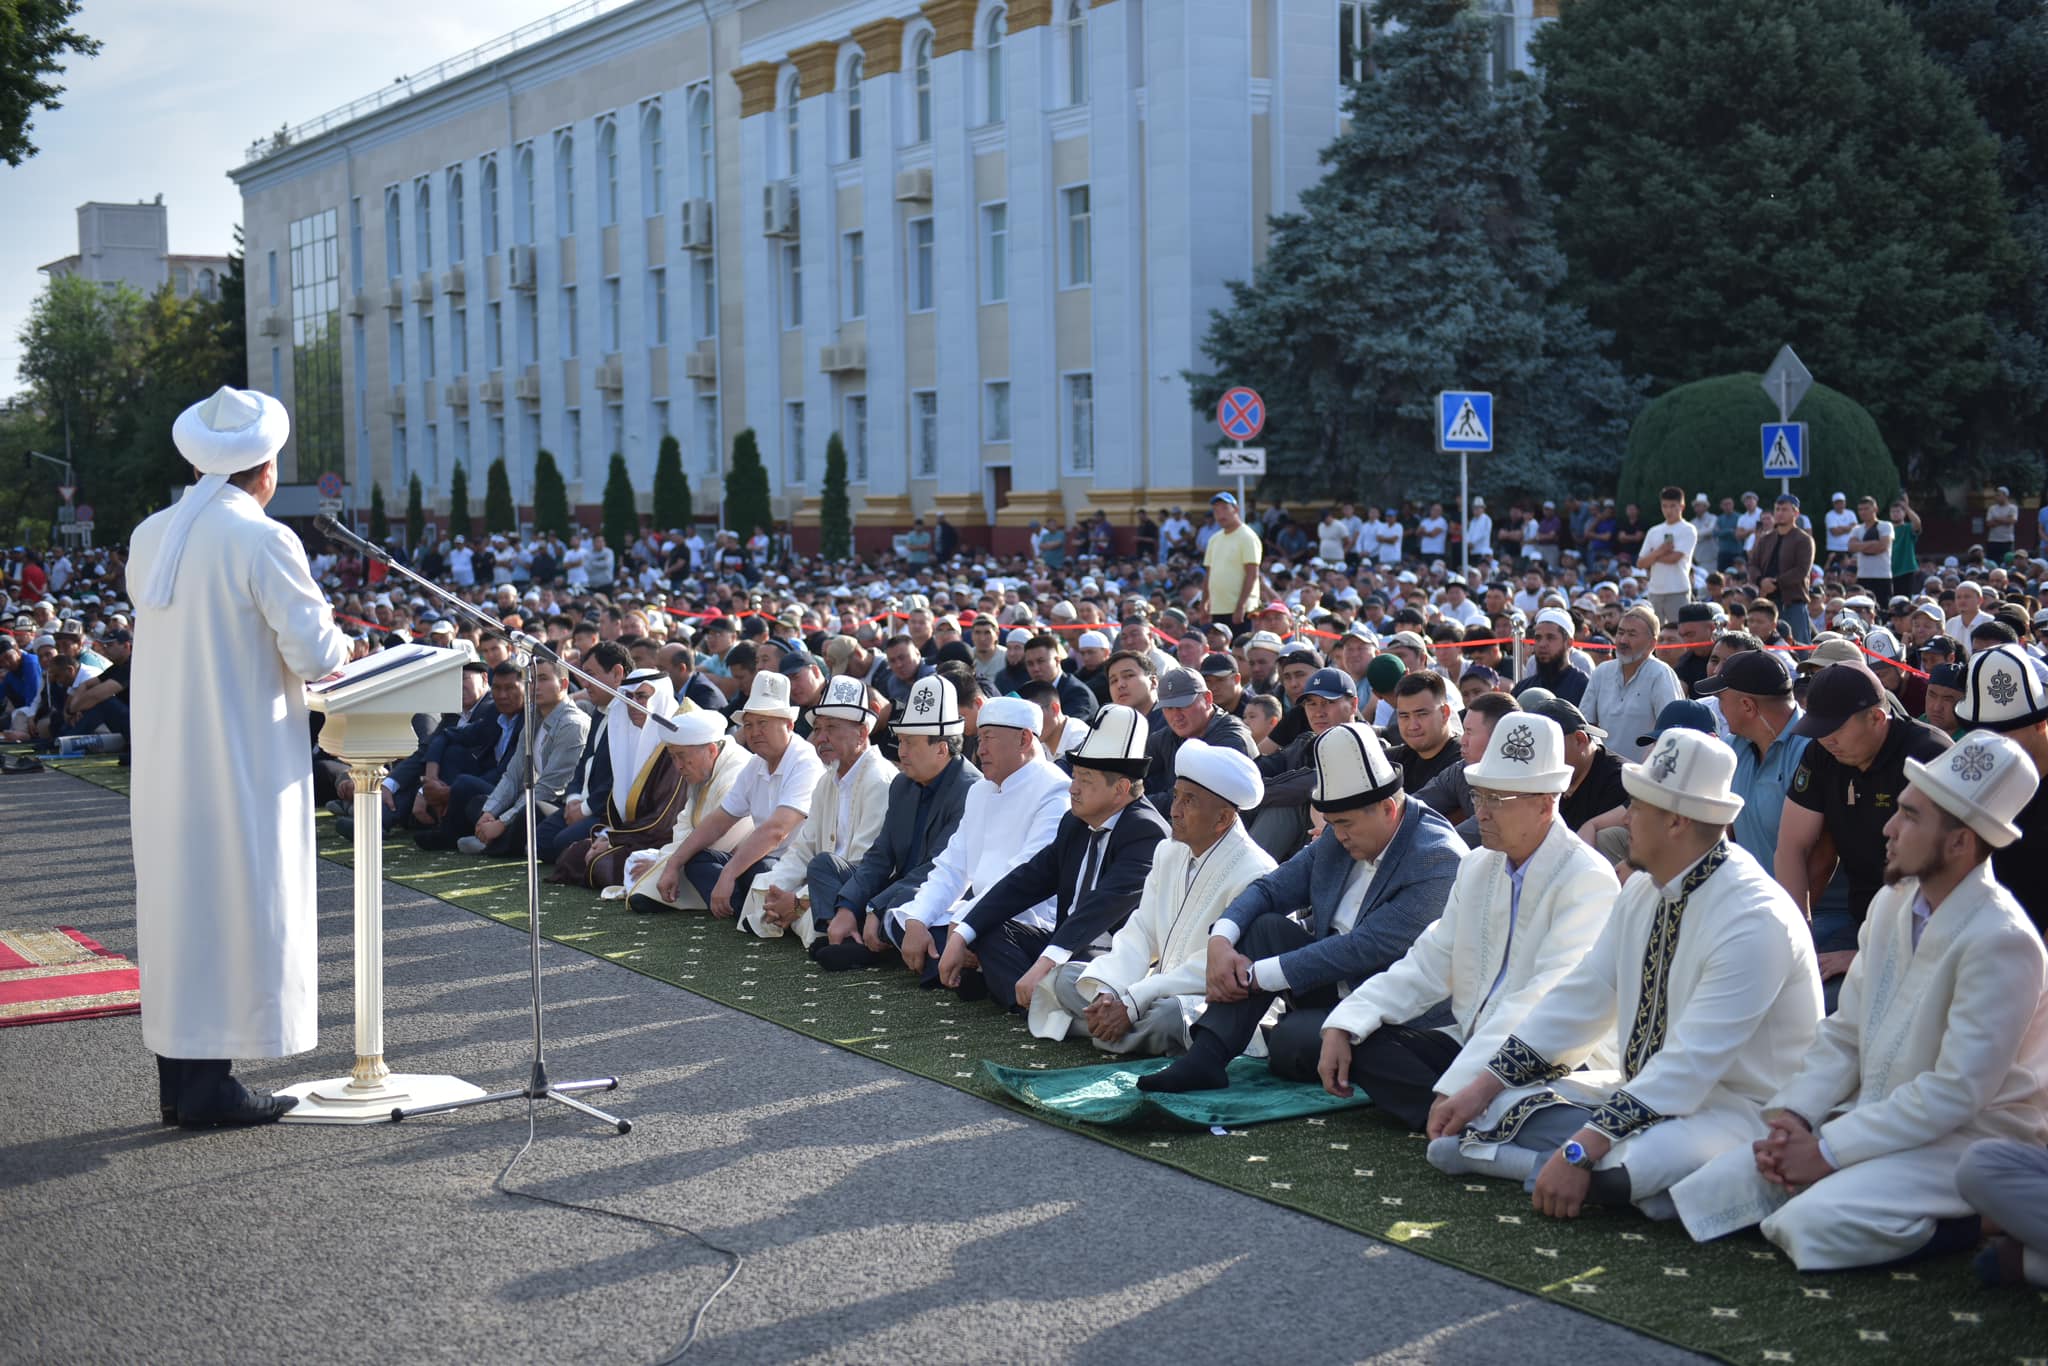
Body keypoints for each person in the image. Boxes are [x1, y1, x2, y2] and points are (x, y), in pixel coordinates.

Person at [1673, 729, 2048, 1269]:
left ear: (1961, 842)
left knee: (1810, 1225)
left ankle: (1974, 1221)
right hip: (1873, 1118)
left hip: (1963, 1140)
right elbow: (1846, 1032)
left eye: (1912, 817)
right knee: (1714, 1189)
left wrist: (1829, 1152)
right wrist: (1798, 1118)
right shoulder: (1895, 903)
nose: (1889, 829)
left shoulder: (2002, 939)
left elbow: (1955, 1093)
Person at [1428, 730, 1823, 1221]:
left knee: (1638, 1159)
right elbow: (1582, 996)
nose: (1625, 817)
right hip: (1638, 1092)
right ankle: (1612, 1181)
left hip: (1737, 1111)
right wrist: (1480, 1085)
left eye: (1636, 806)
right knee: (1494, 1103)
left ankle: (1581, 1171)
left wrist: (1581, 1149)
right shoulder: (1644, 890)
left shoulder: (1752, 916)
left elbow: (1690, 1064)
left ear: (1677, 821)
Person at [127, 387, 352, 1126]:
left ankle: (183, 1081)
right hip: (238, 757)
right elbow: (316, 652)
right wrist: (347, 646)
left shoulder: (153, 533)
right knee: (227, 910)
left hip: (167, 758)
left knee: (180, 912)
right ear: (266, 468)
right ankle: (209, 1089)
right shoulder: (263, 538)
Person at [1318, 715, 1618, 1130]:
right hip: (1471, 1040)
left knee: (1523, 1087)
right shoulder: (1479, 865)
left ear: (1546, 802)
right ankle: (1474, 1117)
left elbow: (1543, 1001)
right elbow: (1429, 961)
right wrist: (1347, 1020)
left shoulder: (1587, 878)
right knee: (1363, 1042)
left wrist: (1464, 1081)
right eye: (1480, 797)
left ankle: (1468, 1112)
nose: (1483, 813)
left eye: (1499, 800)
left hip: (1550, 1058)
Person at [1138, 721, 1467, 1092]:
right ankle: (1205, 1059)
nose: (1337, 835)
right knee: (1262, 927)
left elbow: (1364, 948)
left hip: (1394, 1006)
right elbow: (1270, 889)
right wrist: (1221, 941)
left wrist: (1248, 976)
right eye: (1332, 824)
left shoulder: (1437, 859)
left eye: (1344, 824)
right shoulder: (1342, 833)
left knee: (1292, 1044)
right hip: (1329, 985)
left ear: (1388, 809)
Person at [1047, 742, 1276, 1054]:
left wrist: (1134, 1001)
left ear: (1223, 819)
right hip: (1155, 989)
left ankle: (1096, 1029)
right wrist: (1111, 989)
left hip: (1207, 999)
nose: (1174, 809)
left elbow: (1213, 968)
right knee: (1067, 978)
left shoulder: (1256, 873)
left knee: (1172, 1018)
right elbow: (1142, 928)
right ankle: (1114, 1025)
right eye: (1177, 795)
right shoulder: (1169, 850)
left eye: (1189, 801)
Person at [936, 705, 1169, 1009]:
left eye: (1085, 779)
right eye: (1075, 777)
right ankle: (1039, 1005)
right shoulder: (1075, 822)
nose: (1072, 788)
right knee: (990, 932)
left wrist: (1045, 964)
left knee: (1073, 975)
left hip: (1108, 952)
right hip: (1061, 942)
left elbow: (1098, 910)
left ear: (1121, 788)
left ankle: (1044, 1003)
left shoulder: (1146, 832)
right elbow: (1026, 880)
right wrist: (964, 932)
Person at [1774, 663, 1952, 993]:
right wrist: (1797, 934)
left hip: (1925, 934)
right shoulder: (1822, 752)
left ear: (1876, 718)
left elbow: (1950, 877)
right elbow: (1791, 846)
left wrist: (1868, 957)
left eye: (1835, 729)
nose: (1826, 739)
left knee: (1826, 1005)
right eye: (1818, 728)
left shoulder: (1929, 755)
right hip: (1861, 918)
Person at [887, 695, 1071, 983]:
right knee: (904, 915)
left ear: (1023, 739)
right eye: (979, 739)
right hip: (976, 914)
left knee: (987, 938)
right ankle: (966, 965)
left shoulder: (1055, 791)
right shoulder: (981, 791)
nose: (980, 750)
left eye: (988, 739)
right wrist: (917, 920)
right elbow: (952, 865)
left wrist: (965, 927)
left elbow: (1021, 880)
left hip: (1022, 921)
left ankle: (967, 966)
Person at [815, 675, 982, 970]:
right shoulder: (903, 784)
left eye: (909, 743)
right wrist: (848, 906)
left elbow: (936, 870)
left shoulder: (970, 789)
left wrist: (875, 907)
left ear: (941, 748)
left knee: (906, 904)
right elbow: (880, 856)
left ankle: (874, 945)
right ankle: (857, 933)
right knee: (824, 867)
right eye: (901, 741)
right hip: (900, 885)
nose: (900, 751)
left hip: (935, 892)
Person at [653, 671, 827, 917]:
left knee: (759, 872)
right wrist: (674, 863)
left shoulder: (804, 761)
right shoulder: (756, 764)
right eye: (749, 725)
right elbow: (719, 820)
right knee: (697, 861)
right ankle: (747, 909)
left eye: (763, 723)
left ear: (789, 725)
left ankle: (750, 908)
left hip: (794, 865)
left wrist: (728, 874)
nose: (754, 732)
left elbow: (776, 832)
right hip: (762, 862)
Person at [736, 675, 897, 941]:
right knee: (762, 887)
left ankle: (806, 918)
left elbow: (861, 866)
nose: (821, 738)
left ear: (862, 732)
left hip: (860, 891)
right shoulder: (827, 780)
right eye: (819, 729)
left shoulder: (879, 779)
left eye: (832, 728)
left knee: (814, 904)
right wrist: (776, 890)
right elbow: (804, 848)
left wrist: (798, 900)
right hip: (822, 887)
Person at [551, 670, 686, 888]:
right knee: (574, 853)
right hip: (634, 834)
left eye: (642, 696)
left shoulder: (675, 747)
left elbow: (664, 820)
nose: (634, 704)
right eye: (628, 698)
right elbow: (619, 804)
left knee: (603, 864)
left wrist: (613, 840)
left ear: (659, 697)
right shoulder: (630, 739)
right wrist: (606, 834)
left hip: (664, 839)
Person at [1951, 643, 2048, 933]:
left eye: (2004, 731)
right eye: (1980, 732)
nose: (1990, 742)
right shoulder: (1977, 774)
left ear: (2041, 724)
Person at [618, 707, 755, 909]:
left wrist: (664, 863)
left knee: (693, 867)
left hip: (735, 860)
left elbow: (718, 842)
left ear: (711, 750)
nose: (678, 765)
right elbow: (684, 823)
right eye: (673, 757)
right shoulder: (705, 768)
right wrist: (664, 861)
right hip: (705, 855)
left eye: (682, 756)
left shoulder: (735, 773)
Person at [456, 658, 592, 857]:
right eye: (531, 679)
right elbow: (513, 774)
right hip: (530, 798)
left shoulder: (573, 724)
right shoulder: (532, 716)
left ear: (563, 684)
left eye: (543, 678)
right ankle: (494, 837)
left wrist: (502, 822)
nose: (535, 685)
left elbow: (549, 788)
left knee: (530, 813)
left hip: (558, 804)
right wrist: (489, 812)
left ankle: (493, 844)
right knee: (478, 802)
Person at [1697, 650, 1809, 864]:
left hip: (1797, 897)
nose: (1718, 707)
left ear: (1747, 706)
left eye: (1721, 698)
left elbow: (1821, 855)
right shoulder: (1732, 746)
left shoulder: (1811, 750)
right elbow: (1722, 833)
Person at [1580, 605, 1681, 764]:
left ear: (1651, 644)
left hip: (1643, 773)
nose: (1623, 640)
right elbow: (1586, 724)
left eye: (1632, 634)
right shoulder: (1602, 672)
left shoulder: (1660, 674)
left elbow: (1671, 731)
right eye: (1620, 633)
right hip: (1604, 772)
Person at [1144, 666, 1256, 809]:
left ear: (1207, 698)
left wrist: (1133, 803)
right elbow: (1132, 770)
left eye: (1184, 705)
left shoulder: (1231, 738)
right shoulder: (1169, 735)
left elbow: (1193, 797)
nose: (1176, 715)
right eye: (1169, 708)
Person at [1751, 494, 1817, 643]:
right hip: (1767, 603)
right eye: (1777, 509)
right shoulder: (1765, 539)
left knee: (1796, 647)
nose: (1780, 513)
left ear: (1796, 513)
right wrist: (1761, 581)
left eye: (1785, 509)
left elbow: (1802, 570)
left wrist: (1775, 583)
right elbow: (1752, 565)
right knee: (1761, 646)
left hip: (1792, 603)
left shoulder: (1804, 540)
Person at [1202, 491, 1262, 628]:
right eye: (1216, 510)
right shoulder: (1214, 539)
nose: (1220, 514)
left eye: (1224, 508)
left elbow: (1252, 574)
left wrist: (1240, 606)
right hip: (1218, 608)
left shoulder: (1247, 536)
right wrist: (1204, 603)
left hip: (1243, 610)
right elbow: (1209, 574)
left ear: (1235, 509)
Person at [1639, 485, 1696, 626]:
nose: (1668, 510)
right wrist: (1660, 551)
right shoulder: (1654, 531)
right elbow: (1640, 563)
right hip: (1655, 591)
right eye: (1665, 506)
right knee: (1654, 635)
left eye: (1673, 506)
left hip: (1678, 589)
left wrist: (1653, 556)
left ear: (1682, 506)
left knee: (1678, 633)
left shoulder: (1688, 529)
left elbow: (1674, 559)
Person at [1513, 609, 1589, 706]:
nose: (1542, 644)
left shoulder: (1583, 687)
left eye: (1550, 637)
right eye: (1538, 638)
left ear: (1569, 643)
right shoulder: (1523, 688)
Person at [1850, 496, 1894, 601]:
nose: (1863, 512)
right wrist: (1873, 543)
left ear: (1875, 509)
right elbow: (1851, 547)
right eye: (1860, 509)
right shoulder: (1857, 529)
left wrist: (1861, 546)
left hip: (1882, 576)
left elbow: (1883, 546)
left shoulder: (1885, 526)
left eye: (1866, 509)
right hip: (1862, 576)